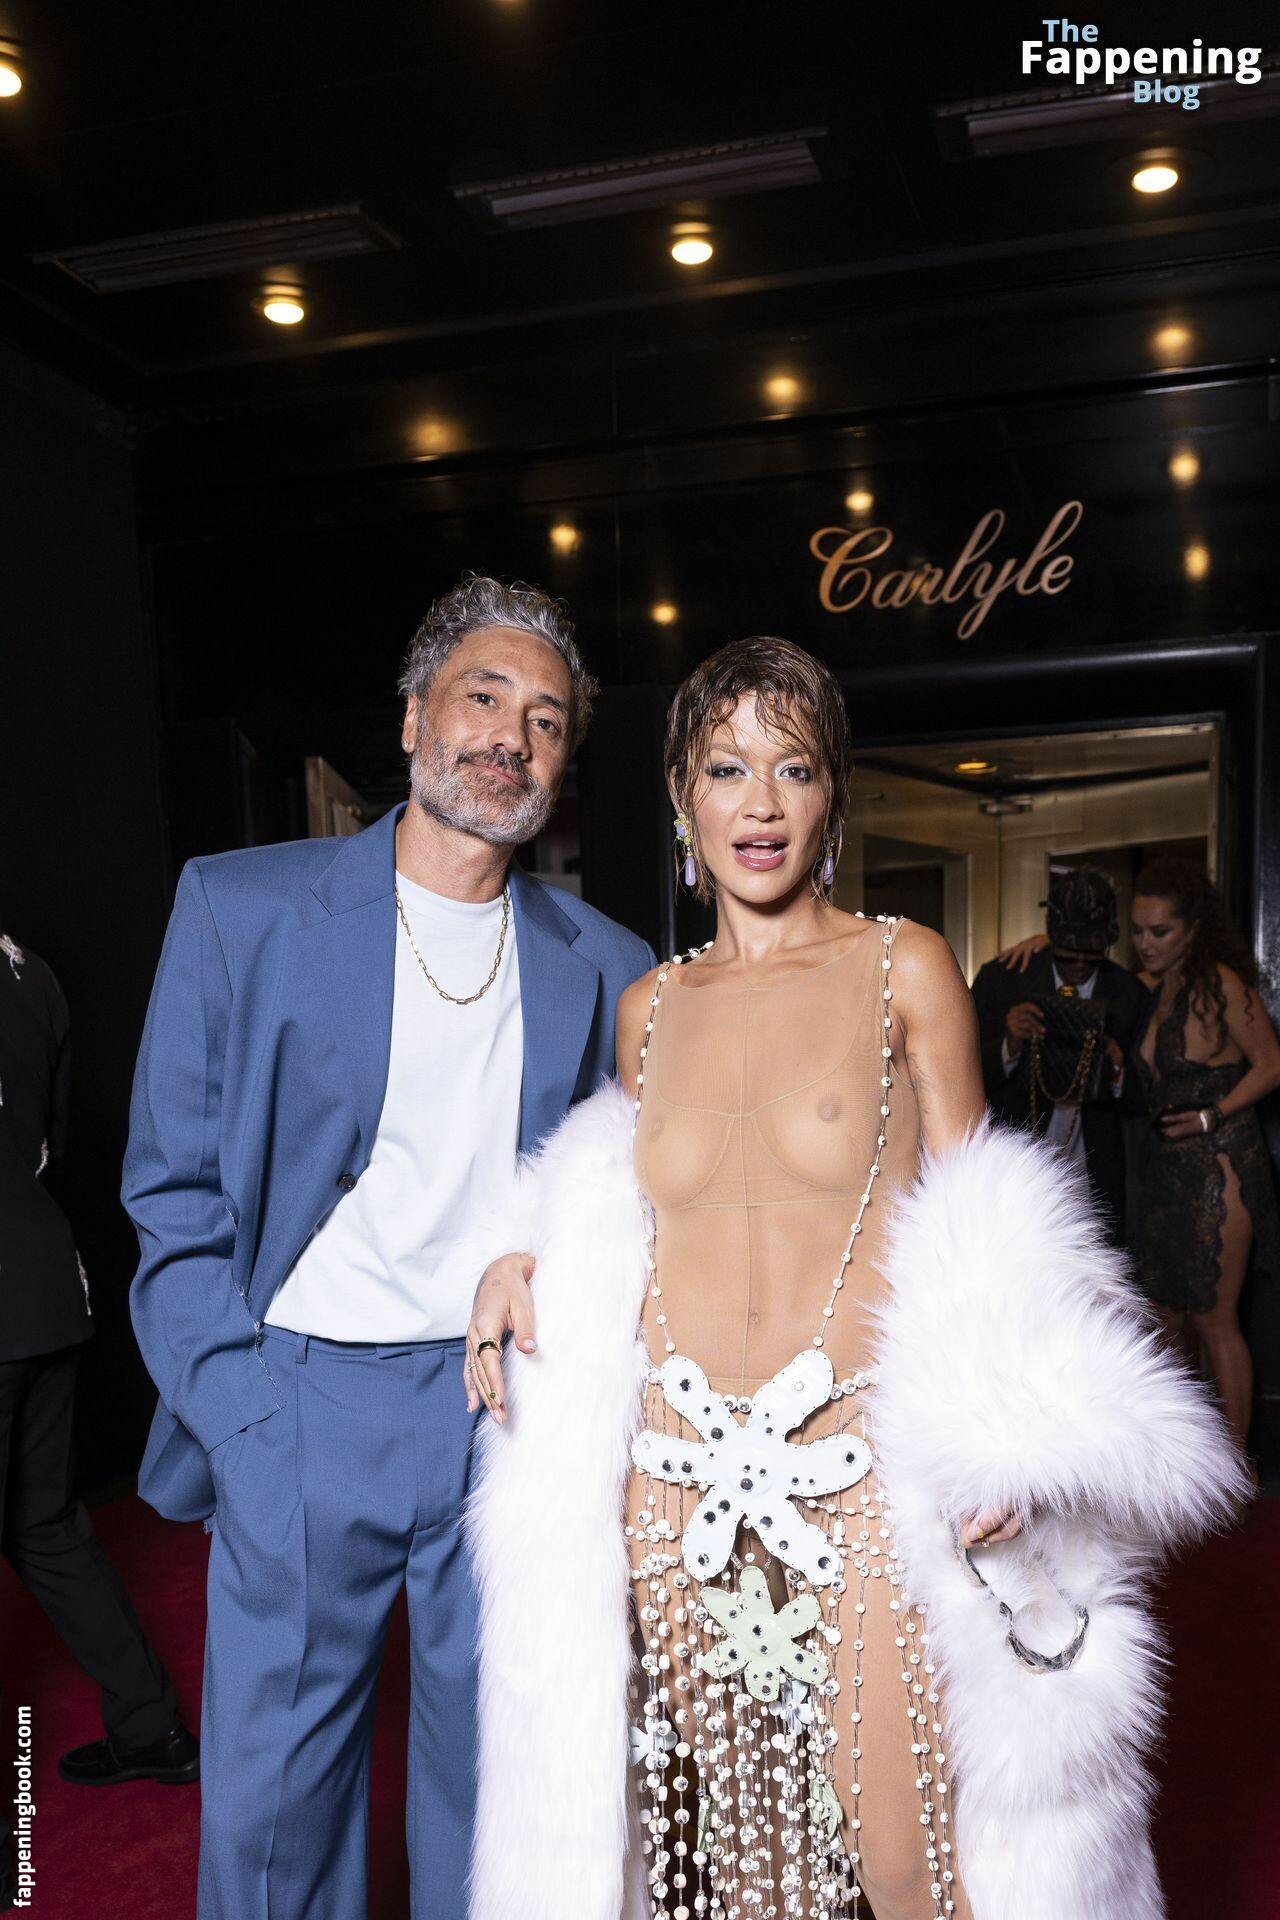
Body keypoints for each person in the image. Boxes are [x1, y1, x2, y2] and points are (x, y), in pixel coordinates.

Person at [461, 638, 1244, 1920]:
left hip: (855, 1478)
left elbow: (986, 1221)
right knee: (756, 1869)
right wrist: (519, 1247)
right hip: (675, 1483)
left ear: (832, 793)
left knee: (907, 1863)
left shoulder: (902, 965)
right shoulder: (648, 1007)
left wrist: (1004, 1434)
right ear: (681, 793)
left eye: (793, 767)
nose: (759, 803)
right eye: (725, 769)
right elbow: (620, 1199)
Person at [123, 576, 653, 1920]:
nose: (510, 737)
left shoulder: (607, 963)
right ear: (415, 714)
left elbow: (618, 1206)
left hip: (503, 1415)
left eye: (546, 721)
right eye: (483, 696)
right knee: (277, 1813)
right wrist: (243, 1416)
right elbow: (171, 1193)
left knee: (495, 1804)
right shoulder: (240, 908)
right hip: (303, 1400)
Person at [0, 929, 196, 1914]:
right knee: (43, 1524)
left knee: (44, 1523)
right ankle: (150, 1724)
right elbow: (48, 1145)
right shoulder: (28, 970)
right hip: (45, 1283)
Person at [1128, 858, 1280, 1452]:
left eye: (1159, 931)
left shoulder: (1220, 984)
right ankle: (1187, 1459)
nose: (1145, 943)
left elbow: (1271, 1064)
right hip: (1167, 1172)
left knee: (1215, 1320)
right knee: (1166, 1318)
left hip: (1220, 1164)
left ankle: (1236, 1467)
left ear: (1192, 928)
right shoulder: (1154, 988)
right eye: (1137, 931)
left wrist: (1213, 1114)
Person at [970, 868, 1150, 1241]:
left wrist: (1117, 1067)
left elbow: (1144, 1098)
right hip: (1016, 1160)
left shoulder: (1128, 993)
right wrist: (1009, 1043)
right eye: (1069, 956)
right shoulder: (1003, 980)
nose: (1080, 965)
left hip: (1094, 1166)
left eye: (1091, 956)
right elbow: (965, 1074)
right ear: (1052, 939)